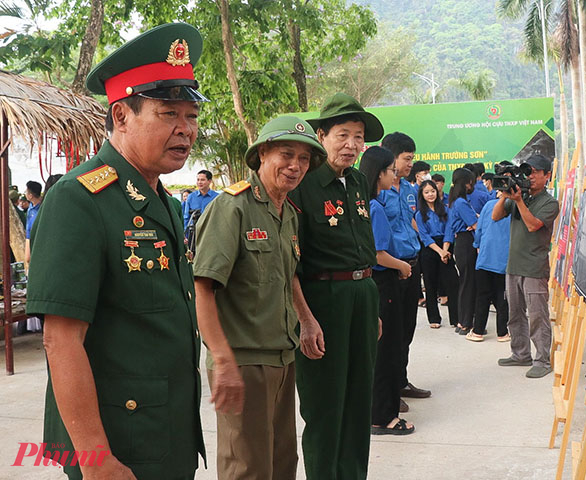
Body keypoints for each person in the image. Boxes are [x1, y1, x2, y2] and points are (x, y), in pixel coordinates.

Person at [26, 23, 207, 479]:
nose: (186, 130)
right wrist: (95, 458)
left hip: (165, 431)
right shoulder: (79, 198)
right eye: (169, 114)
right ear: (122, 115)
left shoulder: (159, 198)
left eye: (191, 116)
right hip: (118, 444)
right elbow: (60, 339)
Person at [193, 116, 325, 479]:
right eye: (286, 154)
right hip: (244, 363)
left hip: (283, 356)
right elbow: (202, 288)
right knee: (247, 468)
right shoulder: (231, 207)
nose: (295, 166)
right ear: (262, 154)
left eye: (304, 159)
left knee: (282, 463)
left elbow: (287, 275)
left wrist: (307, 320)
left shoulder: (288, 213)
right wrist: (222, 360)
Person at [288, 92, 383, 479]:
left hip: (362, 297)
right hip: (322, 301)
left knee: (360, 403)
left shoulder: (359, 182)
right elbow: (287, 262)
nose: (352, 145)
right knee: (326, 406)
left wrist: (371, 310)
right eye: (343, 134)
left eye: (359, 137)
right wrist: (305, 320)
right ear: (322, 135)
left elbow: (365, 250)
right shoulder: (303, 183)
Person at [358, 145, 416, 436]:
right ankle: (384, 417)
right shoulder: (376, 207)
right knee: (388, 350)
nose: (395, 175)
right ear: (379, 172)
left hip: (371, 283)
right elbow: (378, 254)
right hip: (385, 281)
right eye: (392, 170)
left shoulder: (359, 203)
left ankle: (377, 410)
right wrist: (403, 267)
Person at [492, 155, 559, 378]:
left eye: (534, 172)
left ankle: (542, 360)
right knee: (515, 313)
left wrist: (519, 201)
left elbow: (533, 226)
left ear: (547, 175)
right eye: (527, 172)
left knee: (538, 316)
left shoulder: (549, 203)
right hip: (513, 265)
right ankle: (520, 354)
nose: (529, 176)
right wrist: (504, 193)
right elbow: (495, 216)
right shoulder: (520, 197)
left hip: (534, 267)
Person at [379, 132, 430, 402]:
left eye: (411, 158)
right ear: (391, 157)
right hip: (389, 268)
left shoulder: (410, 190)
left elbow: (412, 223)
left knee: (407, 329)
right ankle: (386, 390)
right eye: (406, 159)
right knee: (389, 333)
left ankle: (401, 381)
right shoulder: (377, 192)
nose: (410, 164)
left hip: (412, 265)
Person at [468, 176, 511, 342]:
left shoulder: (488, 206)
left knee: (482, 296)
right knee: (502, 297)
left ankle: (478, 331)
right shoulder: (516, 208)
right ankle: (503, 333)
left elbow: (479, 231)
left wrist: (477, 245)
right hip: (505, 260)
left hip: (485, 258)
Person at [415, 179, 459, 328]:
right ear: (422, 194)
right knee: (430, 283)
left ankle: (456, 318)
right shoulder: (419, 214)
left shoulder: (446, 209)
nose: (430, 194)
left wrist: (445, 250)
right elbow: (424, 236)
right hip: (430, 249)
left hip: (446, 246)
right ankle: (434, 318)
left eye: (432, 191)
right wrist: (439, 251)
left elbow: (450, 230)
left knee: (452, 283)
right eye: (426, 192)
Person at [446, 167, 479, 335]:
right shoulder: (461, 202)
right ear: (467, 183)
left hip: (462, 242)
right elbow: (475, 225)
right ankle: (465, 322)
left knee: (466, 283)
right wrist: (478, 221)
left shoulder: (455, 201)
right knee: (468, 284)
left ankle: (463, 321)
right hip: (467, 243)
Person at [23, 180, 42, 264]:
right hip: (29, 238)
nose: (25, 193)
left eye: (26, 191)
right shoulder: (30, 207)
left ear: (30, 195)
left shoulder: (42, 208)